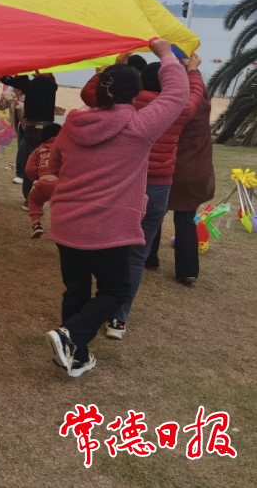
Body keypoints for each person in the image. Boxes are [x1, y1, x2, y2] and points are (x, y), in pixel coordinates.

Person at [43, 40, 187, 378]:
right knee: (116, 290)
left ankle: (76, 357)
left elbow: (56, 165)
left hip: (67, 223)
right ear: (135, 93)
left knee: (76, 290)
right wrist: (167, 56)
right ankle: (70, 335)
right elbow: (177, 95)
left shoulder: (72, 125)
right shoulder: (139, 127)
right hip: (108, 229)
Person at [80, 53, 205, 338]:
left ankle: (97, 304)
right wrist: (192, 71)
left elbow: (90, 94)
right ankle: (118, 320)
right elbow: (194, 96)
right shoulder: (177, 109)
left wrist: (115, 66)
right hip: (159, 186)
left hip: (123, 183)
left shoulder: (127, 105)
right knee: (137, 256)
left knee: (106, 247)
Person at [166, 60, 215, 284]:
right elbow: (198, 88)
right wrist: (192, 69)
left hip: (170, 170)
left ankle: (148, 258)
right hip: (195, 173)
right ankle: (187, 271)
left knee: (154, 216)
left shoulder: (173, 109)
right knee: (185, 220)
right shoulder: (204, 109)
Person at [0, 72, 57, 209]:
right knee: (44, 162)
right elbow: (23, 84)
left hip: (34, 127)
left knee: (30, 163)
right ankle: (40, 196)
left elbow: (21, 83)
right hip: (47, 127)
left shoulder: (38, 83)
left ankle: (30, 199)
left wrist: (5, 77)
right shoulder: (51, 84)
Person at [25, 123, 62, 239]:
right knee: (62, 205)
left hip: (44, 183)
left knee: (33, 200)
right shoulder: (65, 149)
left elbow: (29, 169)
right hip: (61, 185)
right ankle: (61, 227)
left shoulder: (38, 150)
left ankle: (36, 224)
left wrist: (37, 179)